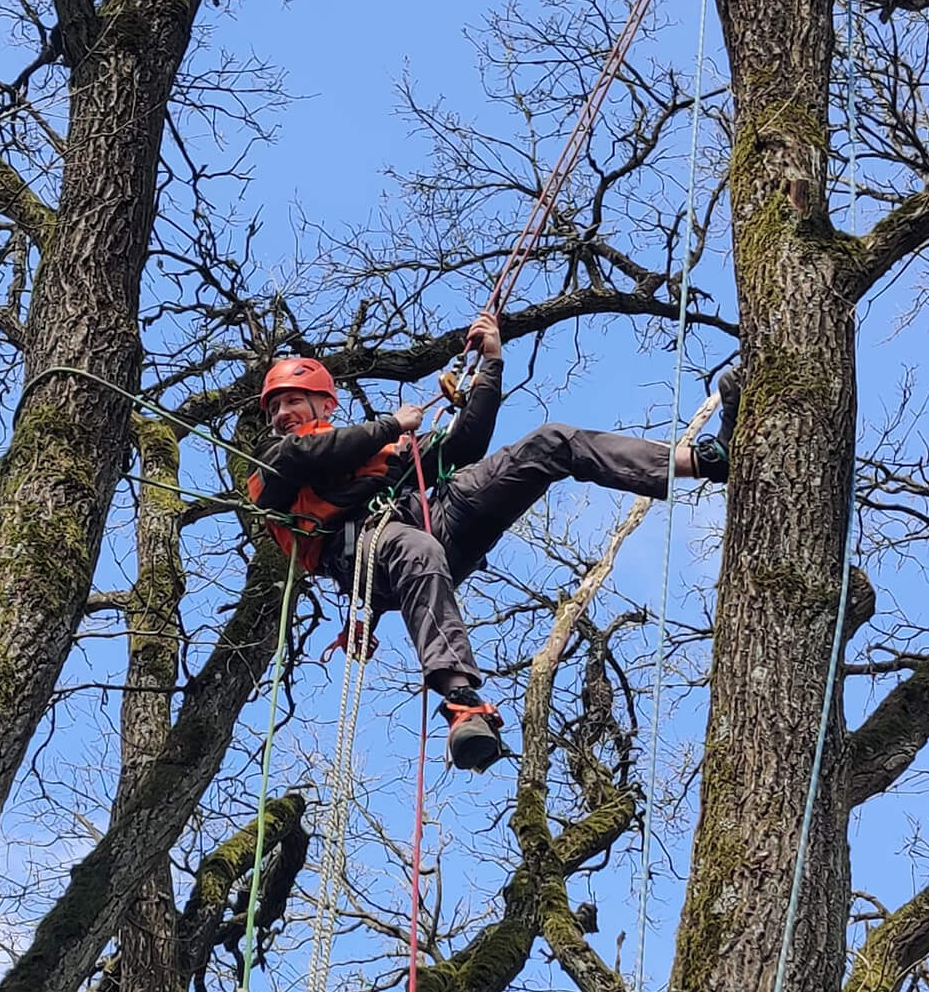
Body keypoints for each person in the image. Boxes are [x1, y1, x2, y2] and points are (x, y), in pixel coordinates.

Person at [250, 313, 740, 770]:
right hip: (370, 553)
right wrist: (390, 426)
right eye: (275, 407)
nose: (282, 413)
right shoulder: (274, 460)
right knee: (415, 549)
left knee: (551, 443)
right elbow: (302, 456)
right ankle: (462, 702)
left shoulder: (378, 451)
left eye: (293, 401)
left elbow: (463, 447)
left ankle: (705, 460)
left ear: (326, 403)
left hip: (434, 521)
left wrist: (491, 365)